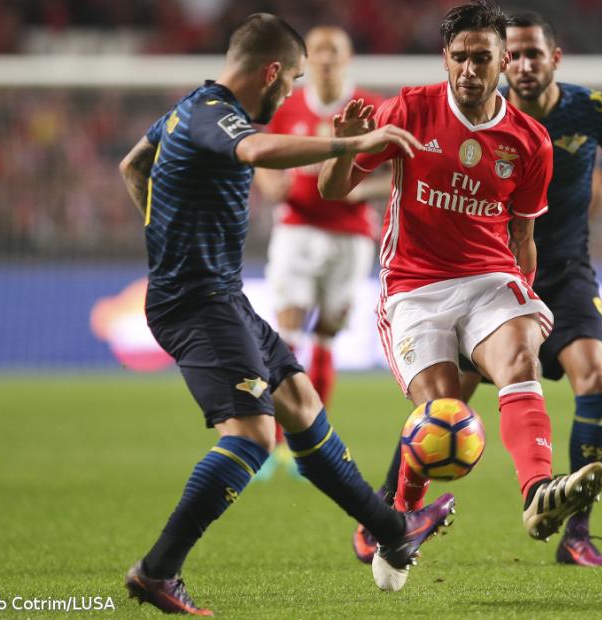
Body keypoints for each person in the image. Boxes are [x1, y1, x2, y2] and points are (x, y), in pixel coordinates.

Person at [116, 13, 455, 613]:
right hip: (196, 301)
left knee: (299, 402)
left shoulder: (182, 111)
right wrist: (351, 142)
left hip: (218, 295)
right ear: (271, 71)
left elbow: (133, 166)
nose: (292, 91)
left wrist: (169, 229)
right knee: (252, 435)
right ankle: (157, 570)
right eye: (292, 80)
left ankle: (393, 531)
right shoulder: (213, 112)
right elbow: (256, 149)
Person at [318, 0, 602, 577]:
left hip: (488, 280)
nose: (470, 70)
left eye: (482, 58)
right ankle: (399, 518)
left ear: (502, 61)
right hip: (414, 288)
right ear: (444, 59)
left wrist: (521, 298)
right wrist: (346, 148)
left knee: (519, 358)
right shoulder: (408, 110)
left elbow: (523, 235)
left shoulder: (530, 141)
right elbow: (332, 191)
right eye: (460, 58)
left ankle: (537, 492)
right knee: (442, 412)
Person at [455, 12, 602, 567]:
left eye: (532, 55)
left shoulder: (592, 110)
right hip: (493, 276)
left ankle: (577, 534)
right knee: (447, 405)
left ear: (555, 58)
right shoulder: (481, 117)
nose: (521, 65)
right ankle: (390, 512)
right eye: (513, 55)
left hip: (566, 271)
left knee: (594, 373)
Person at [252, 25, 388, 480]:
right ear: (310, 61)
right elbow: (260, 156)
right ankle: (271, 442)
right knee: (288, 330)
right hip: (296, 230)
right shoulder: (288, 106)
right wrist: (268, 180)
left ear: (348, 59)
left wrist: (361, 190)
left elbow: (401, 171)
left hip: (351, 235)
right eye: (320, 52)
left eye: (336, 50)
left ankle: (307, 442)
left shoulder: (369, 106)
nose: (327, 58)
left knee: (328, 332)